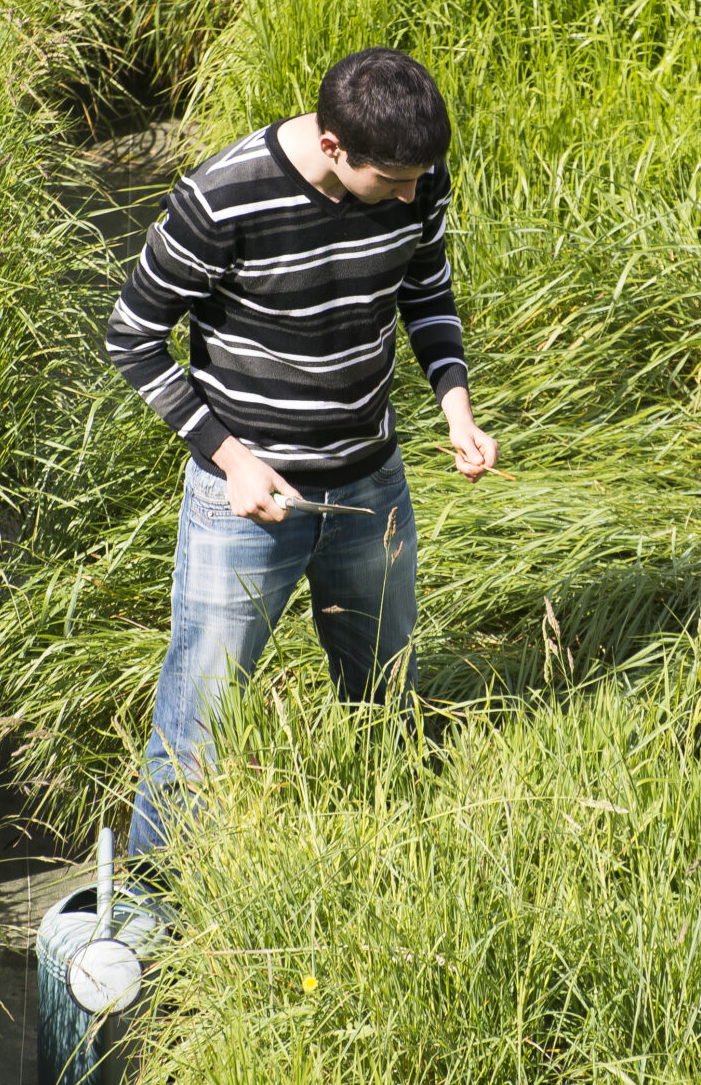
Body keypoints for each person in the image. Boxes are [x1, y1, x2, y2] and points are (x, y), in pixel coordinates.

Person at [103, 47, 498, 863]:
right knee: (198, 729)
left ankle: (390, 863)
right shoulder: (221, 199)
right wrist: (231, 459)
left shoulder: (413, 176)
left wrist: (455, 407)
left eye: (422, 176)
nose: (412, 194)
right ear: (331, 148)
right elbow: (132, 337)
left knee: (385, 699)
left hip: (372, 488)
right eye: (392, 180)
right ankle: (146, 917)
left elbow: (426, 292)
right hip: (243, 503)